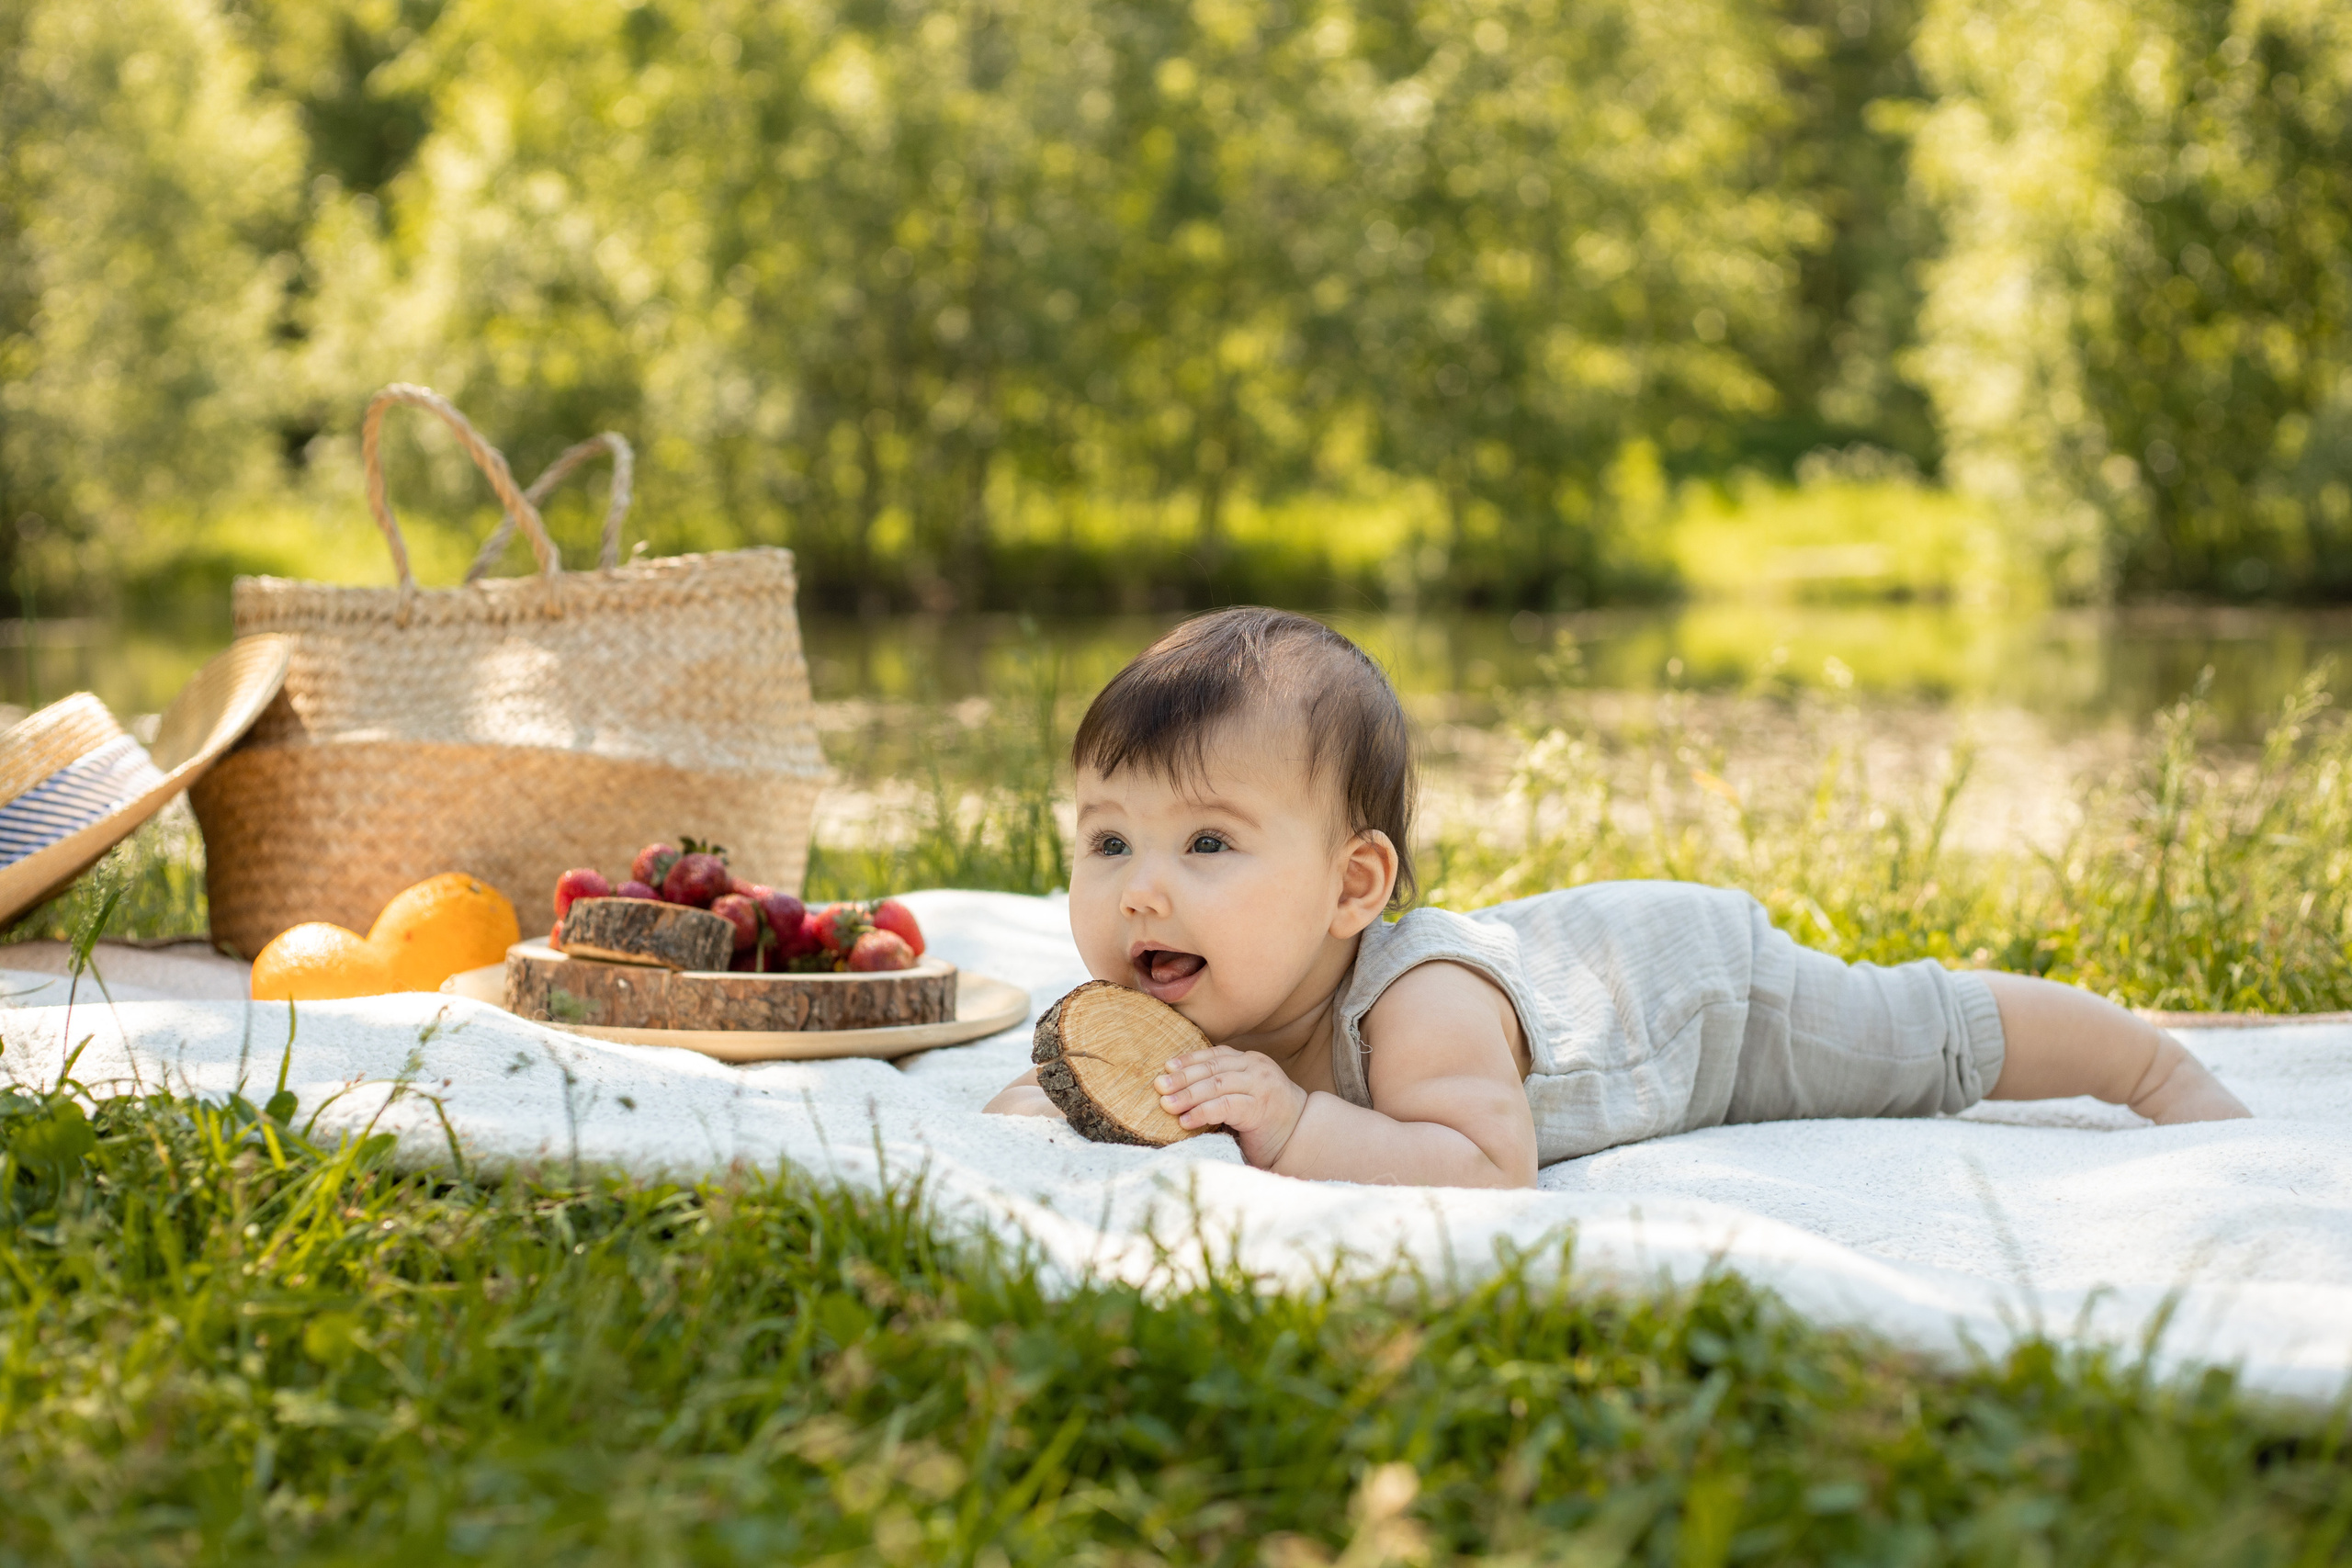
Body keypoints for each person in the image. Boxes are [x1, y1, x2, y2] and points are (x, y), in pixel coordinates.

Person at [984, 607, 2251, 1188]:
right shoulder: (1192, 975)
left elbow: (1486, 1168)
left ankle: (2141, 1063)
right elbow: (1066, 1089)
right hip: (1594, 958)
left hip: (1696, 996)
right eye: (1107, 845)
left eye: (1207, 842)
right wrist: (1047, 1097)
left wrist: (1294, 1128)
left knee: (1917, 1035)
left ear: (1351, 887)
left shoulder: (1420, 1010)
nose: (1142, 892)